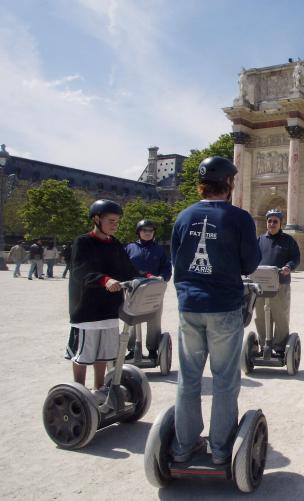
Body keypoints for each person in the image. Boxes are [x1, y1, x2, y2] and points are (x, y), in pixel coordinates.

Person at [170, 156, 260, 465]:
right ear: (230, 183)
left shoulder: (183, 217)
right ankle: (220, 449)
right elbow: (250, 265)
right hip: (223, 306)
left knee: (189, 378)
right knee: (224, 380)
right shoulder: (239, 218)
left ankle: (183, 445)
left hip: (189, 307)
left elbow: (176, 261)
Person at [66, 200, 146, 390]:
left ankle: (99, 389)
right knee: (84, 354)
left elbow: (127, 269)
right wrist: (105, 280)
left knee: (102, 353)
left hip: (109, 309)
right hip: (87, 310)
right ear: (96, 219)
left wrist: (147, 277)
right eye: (111, 220)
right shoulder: (83, 242)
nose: (115, 225)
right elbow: (80, 270)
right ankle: (80, 392)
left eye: (117, 221)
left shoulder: (115, 244)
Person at [125, 219, 173, 358]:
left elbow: (166, 267)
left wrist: (163, 277)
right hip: (133, 287)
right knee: (132, 318)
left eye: (150, 231)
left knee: (154, 318)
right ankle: (133, 348)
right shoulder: (129, 248)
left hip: (153, 288)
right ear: (138, 232)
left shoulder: (159, 250)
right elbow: (123, 265)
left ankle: (152, 349)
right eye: (144, 230)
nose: (147, 233)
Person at [254, 209, 300, 350]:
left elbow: (295, 258)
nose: (272, 224)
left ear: (281, 223)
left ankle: (280, 346)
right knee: (261, 315)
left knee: (280, 315)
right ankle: (263, 343)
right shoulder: (260, 240)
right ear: (266, 223)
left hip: (280, 284)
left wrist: (288, 267)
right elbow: (252, 258)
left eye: (275, 221)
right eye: (269, 221)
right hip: (261, 285)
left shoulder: (288, 240)